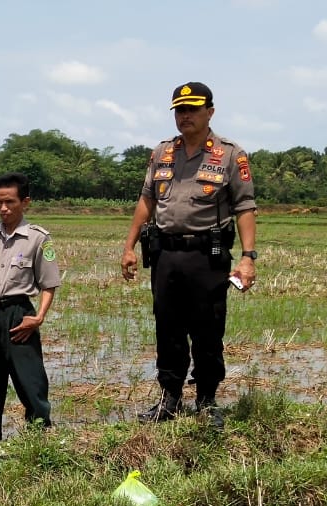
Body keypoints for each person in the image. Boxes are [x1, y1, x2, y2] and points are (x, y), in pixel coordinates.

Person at [122, 82, 258, 430]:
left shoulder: (230, 154)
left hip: (207, 256)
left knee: (207, 328)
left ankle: (207, 400)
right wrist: (128, 247)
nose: (185, 116)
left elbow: (244, 206)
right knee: (167, 327)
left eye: (192, 110)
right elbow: (146, 200)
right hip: (165, 253)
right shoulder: (162, 153)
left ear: (210, 111)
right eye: (180, 111)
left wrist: (248, 257)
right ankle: (169, 398)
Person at [0, 172, 60, 445]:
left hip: (19, 316)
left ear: (25, 202)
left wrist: (38, 318)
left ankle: (40, 435)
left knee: (31, 380)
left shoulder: (38, 238)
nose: (3, 208)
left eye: (10, 202)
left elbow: (49, 284)